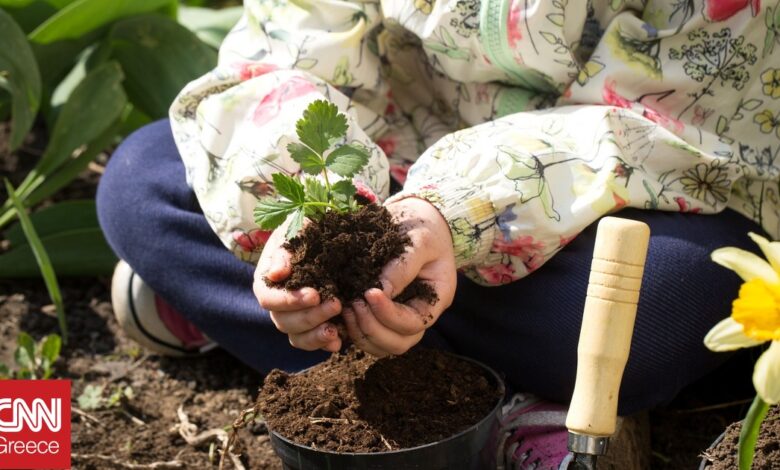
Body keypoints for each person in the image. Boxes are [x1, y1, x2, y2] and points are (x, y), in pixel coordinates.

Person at [97, 0, 780, 467]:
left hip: (621, 185)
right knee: (142, 181)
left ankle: (248, 311)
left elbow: (674, 126)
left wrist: (452, 215)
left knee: (662, 298)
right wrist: (322, 216)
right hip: (392, 161)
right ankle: (500, 397)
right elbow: (288, 55)